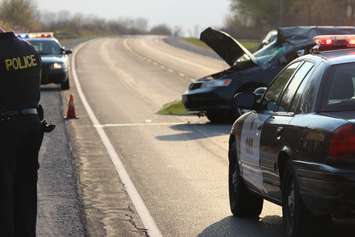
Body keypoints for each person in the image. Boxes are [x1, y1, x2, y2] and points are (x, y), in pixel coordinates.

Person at [0, 26, 44, 237]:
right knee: (27, 190)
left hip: (6, 129)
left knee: (4, 194)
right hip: (32, 125)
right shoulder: (29, 50)